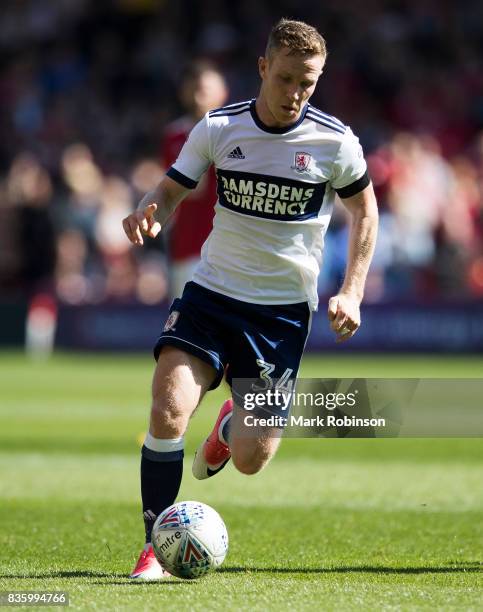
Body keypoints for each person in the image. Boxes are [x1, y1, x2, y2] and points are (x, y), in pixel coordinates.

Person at [122, 18, 378, 579]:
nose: (295, 94)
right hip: (211, 293)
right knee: (166, 411)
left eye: (307, 83)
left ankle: (229, 426)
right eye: (285, 79)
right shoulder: (218, 127)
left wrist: (352, 290)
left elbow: (365, 210)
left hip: (281, 316)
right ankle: (154, 546)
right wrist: (150, 210)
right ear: (263, 68)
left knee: (251, 458)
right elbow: (170, 190)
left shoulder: (335, 141)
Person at [161, 61, 228, 299]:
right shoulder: (176, 134)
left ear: (223, 93)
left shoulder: (235, 133)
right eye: (195, 89)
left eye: (206, 90)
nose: (200, 97)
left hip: (229, 249)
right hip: (189, 245)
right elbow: (188, 188)